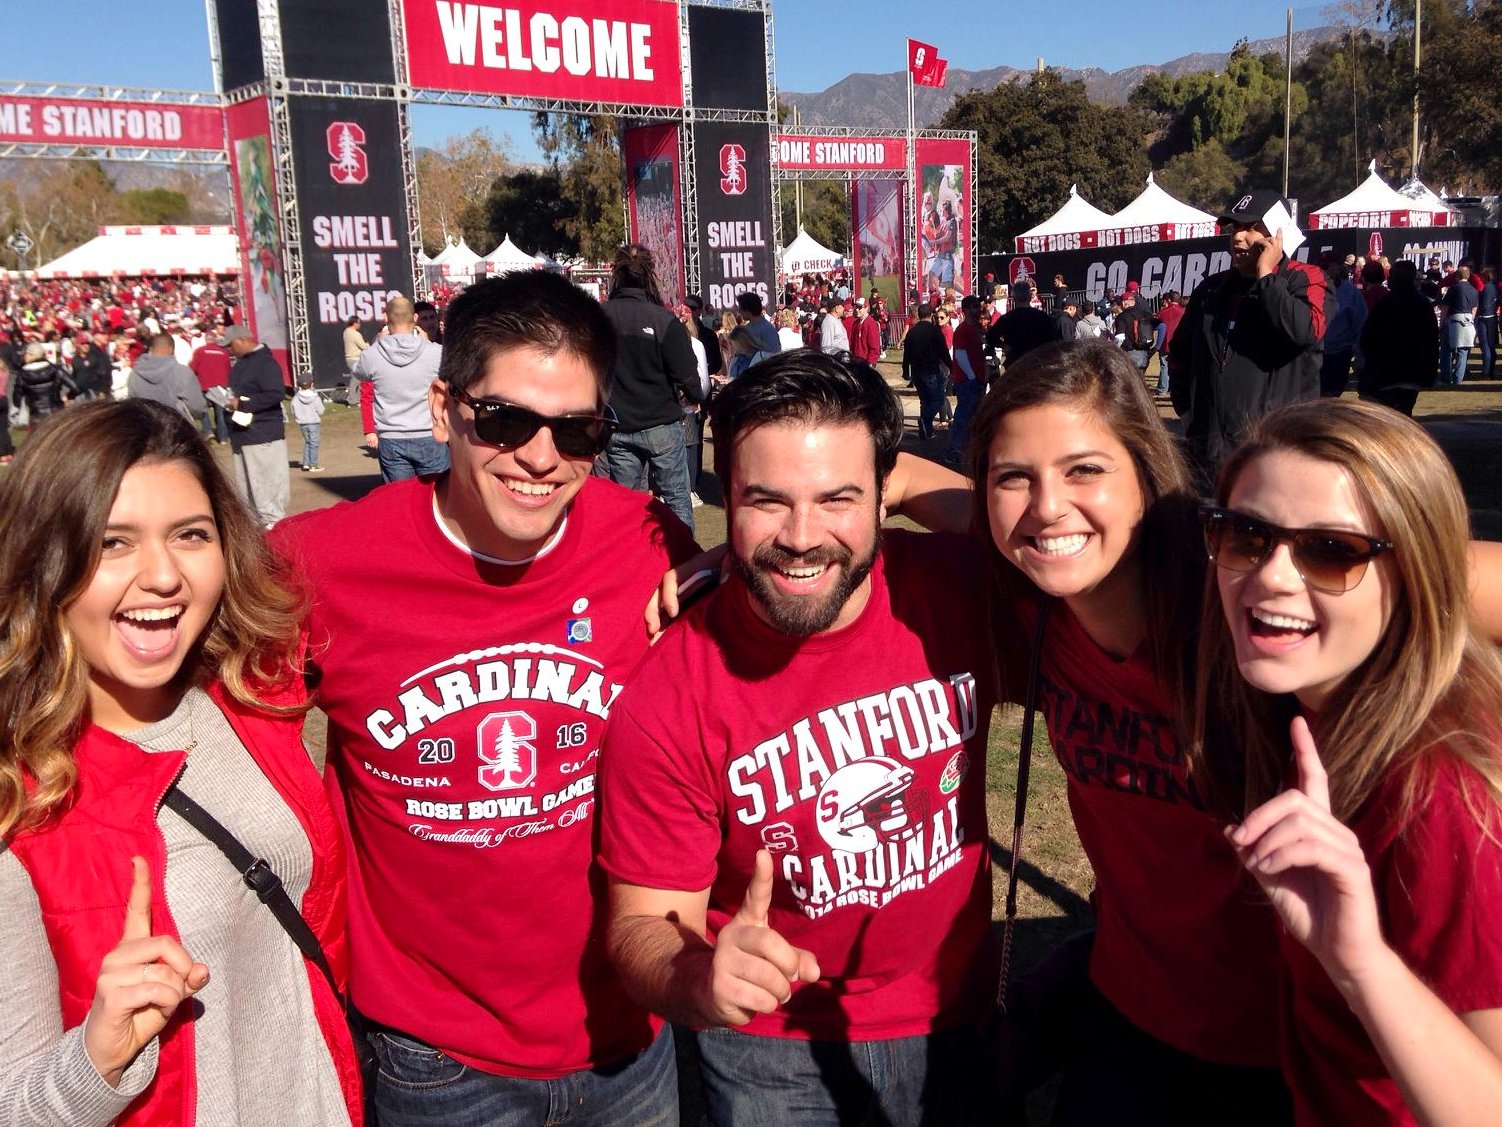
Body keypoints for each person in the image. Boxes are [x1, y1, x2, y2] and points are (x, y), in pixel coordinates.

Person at [269, 271, 698, 1126]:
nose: (541, 457)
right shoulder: (318, 563)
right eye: (504, 420)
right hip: (436, 1054)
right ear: (443, 410)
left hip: (629, 1035)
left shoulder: (650, 540)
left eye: (578, 432)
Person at [601, 351, 997, 1125]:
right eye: (767, 501)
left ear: (888, 496)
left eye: (838, 498)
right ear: (727, 498)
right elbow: (640, 921)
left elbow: (1043, 535)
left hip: (958, 1008)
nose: (803, 537)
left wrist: (903, 477)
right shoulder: (672, 688)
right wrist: (699, 978)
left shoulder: (951, 589)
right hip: (770, 1050)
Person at [0, 399, 362, 1125]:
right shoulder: (20, 802)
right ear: (44, 560)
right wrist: (95, 1060)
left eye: (190, 535)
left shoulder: (253, 693)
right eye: (113, 543)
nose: (162, 575)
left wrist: (656, 565)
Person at [1197, 399, 1502, 1124]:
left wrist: (1360, 961)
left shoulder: (1441, 795)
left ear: (1414, 573)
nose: (1272, 576)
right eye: (1247, 535)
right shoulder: (1309, 708)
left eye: (1331, 551)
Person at [1168, 190, 1331, 480]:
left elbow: (1305, 331)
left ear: (1277, 234)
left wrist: (1267, 277)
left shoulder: (1305, 278)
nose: (1238, 237)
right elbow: (1179, 356)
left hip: (1278, 459)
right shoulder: (1210, 290)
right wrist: (1189, 414)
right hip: (1210, 459)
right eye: (1234, 228)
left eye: (1252, 227)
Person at [600, 243, 704, 530]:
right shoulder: (663, 321)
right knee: (676, 500)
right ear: (649, 275)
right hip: (660, 425)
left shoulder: (600, 317)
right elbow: (689, 377)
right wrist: (693, 397)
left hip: (618, 427)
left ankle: (633, 565)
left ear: (617, 274)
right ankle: (685, 565)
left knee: (627, 504)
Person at [352, 295, 448, 483]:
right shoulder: (435, 352)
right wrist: (426, 342)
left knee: (399, 500)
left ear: (386, 318)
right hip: (428, 433)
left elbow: (357, 371)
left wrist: (378, 344)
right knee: (436, 497)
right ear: (414, 319)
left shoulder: (372, 355)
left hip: (391, 437)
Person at [221, 324, 290, 530]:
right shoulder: (242, 363)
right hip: (243, 434)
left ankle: (275, 538)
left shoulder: (265, 363)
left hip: (263, 435)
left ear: (243, 340)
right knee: (248, 494)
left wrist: (242, 403)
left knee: (267, 493)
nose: (229, 350)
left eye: (230, 345)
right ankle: (258, 537)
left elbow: (275, 394)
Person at [1357, 261, 1437, 417]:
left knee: (1390, 416)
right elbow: (1431, 339)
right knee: (1404, 413)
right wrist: (1430, 372)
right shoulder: (1422, 304)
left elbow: (1369, 338)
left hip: (1387, 371)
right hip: (1412, 371)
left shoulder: (1385, 304)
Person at [1318, 256, 1367, 398]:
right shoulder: (1311, 288)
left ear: (1338, 267)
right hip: (1315, 353)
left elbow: (1360, 324)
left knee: (1332, 396)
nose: (1324, 270)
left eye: (1327, 266)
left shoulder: (1350, 292)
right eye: (1321, 266)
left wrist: (1359, 355)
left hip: (1340, 353)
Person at [128, 333, 206, 422]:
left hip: (145, 426)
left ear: (151, 349)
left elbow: (132, 402)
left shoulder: (135, 373)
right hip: (176, 426)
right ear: (172, 349)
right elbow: (197, 407)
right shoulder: (182, 372)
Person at [902, 301, 951, 441]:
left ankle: (927, 431)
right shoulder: (934, 331)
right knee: (938, 399)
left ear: (919, 315)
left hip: (917, 371)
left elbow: (907, 354)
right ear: (931, 315)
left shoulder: (912, 332)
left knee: (925, 401)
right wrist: (951, 366)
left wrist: (906, 370)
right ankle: (925, 420)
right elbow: (943, 351)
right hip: (930, 370)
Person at [948, 294, 986, 464]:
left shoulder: (975, 329)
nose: (978, 310)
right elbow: (960, 356)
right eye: (974, 307)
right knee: (965, 415)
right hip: (968, 380)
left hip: (975, 379)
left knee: (972, 416)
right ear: (965, 310)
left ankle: (966, 449)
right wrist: (972, 377)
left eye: (978, 306)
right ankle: (957, 450)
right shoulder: (963, 330)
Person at [10, 341, 77, 429]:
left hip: (37, 415)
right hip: (57, 412)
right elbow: (76, 388)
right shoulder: (55, 370)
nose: (24, 356)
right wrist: (67, 397)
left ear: (32, 355)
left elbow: (16, 400)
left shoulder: (23, 375)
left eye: (26, 354)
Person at [190, 330, 233, 444]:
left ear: (206, 340)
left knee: (203, 410)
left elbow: (192, 367)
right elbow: (229, 369)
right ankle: (223, 438)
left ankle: (208, 431)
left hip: (204, 385)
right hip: (221, 386)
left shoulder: (199, 351)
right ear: (215, 340)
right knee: (220, 412)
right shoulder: (223, 352)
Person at [1440, 263, 1479, 385]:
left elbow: (1445, 308)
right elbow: (1474, 309)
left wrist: (1442, 322)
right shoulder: (1474, 290)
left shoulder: (1454, 288)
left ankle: (1446, 377)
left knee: (1446, 350)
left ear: (1457, 276)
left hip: (1453, 320)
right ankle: (1458, 379)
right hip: (1468, 321)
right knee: (1463, 351)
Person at [292, 375, 326, 472]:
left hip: (302, 424)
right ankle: (313, 465)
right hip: (313, 423)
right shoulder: (315, 397)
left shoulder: (296, 398)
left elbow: (293, 411)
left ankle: (306, 463)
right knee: (314, 443)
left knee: (308, 442)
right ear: (311, 383)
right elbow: (321, 411)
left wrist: (299, 418)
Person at [736, 292, 783, 356]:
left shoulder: (767, 329)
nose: (739, 312)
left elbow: (774, 354)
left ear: (748, 310)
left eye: (740, 309)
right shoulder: (747, 329)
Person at [848, 296, 883, 365]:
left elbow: (874, 347)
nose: (857, 310)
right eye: (856, 307)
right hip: (856, 361)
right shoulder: (856, 323)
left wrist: (871, 363)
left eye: (860, 308)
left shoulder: (871, 324)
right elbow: (852, 343)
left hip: (865, 363)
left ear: (866, 308)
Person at [342, 315, 369, 404]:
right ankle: (352, 400)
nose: (360, 325)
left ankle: (356, 398)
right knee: (356, 380)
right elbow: (363, 346)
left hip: (349, 358)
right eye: (359, 323)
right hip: (355, 358)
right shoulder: (355, 334)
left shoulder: (346, 332)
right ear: (354, 323)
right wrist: (367, 344)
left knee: (357, 379)